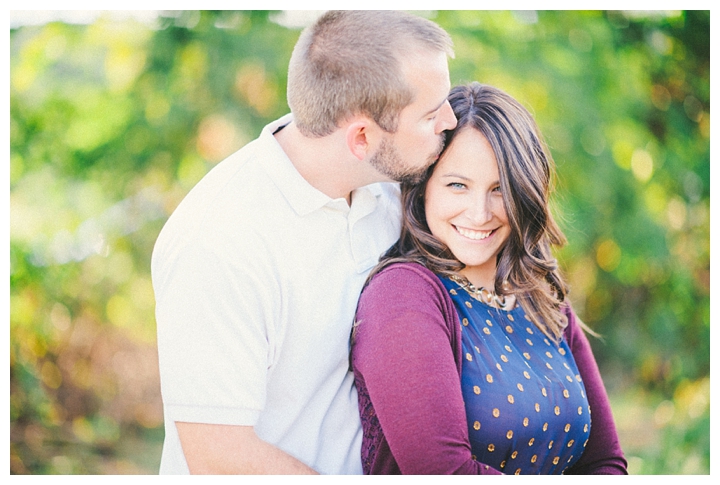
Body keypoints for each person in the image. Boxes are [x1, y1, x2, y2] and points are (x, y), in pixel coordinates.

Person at [151, 10, 457, 475]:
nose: (450, 121)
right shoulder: (217, 242)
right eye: (431, 114)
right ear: (361, 137)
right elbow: (217, 454)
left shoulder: (390, 187)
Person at [351, 82, 628, 475]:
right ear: (423, 187)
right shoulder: (403, 295)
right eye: (457, 185)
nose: (479, 213)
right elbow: (446, 475)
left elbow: (606, 462)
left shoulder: (542, 295)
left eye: (500, 189)